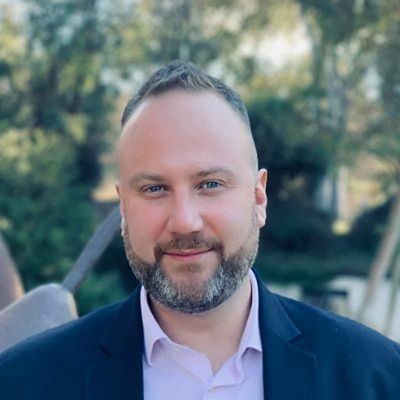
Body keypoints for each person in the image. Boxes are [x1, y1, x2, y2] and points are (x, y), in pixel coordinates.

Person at [0, 61, 399, 400]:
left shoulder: (380, 379)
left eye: (210, 184)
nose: (185, 220)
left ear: (258, 198)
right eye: (155, 188)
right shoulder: (23, 383)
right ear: (123, 207)